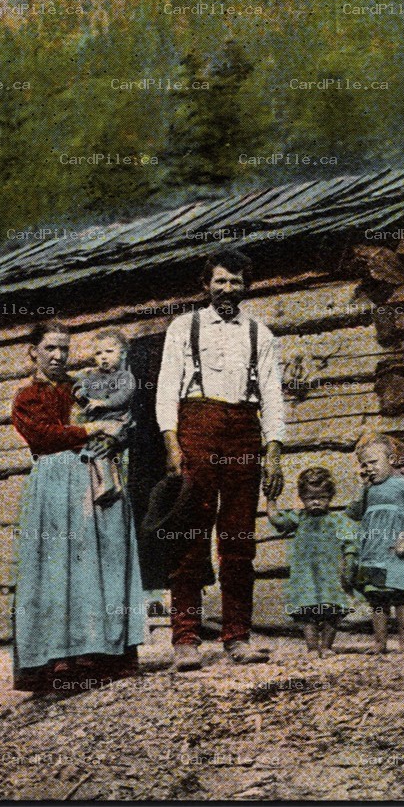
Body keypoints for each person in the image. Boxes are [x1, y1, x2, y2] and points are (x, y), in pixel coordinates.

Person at [155, 247, 285, 670]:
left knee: (238, 539)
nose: (227, 289)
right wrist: (173, 444)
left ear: (246, 286)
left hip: (245, 432)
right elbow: (166, 389)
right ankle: (186, 639)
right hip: (197, 426)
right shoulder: (183, 326)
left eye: (235, 281)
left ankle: (237, 637)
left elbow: (272, 397)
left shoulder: (260, 334)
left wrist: (275, 453)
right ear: (206, 285)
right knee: (190, 537)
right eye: (220, 281)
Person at [10, 323, 145, 693]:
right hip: (54, 481)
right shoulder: (26, 397)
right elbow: (43, 436)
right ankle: (60, 658)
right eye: (50, 348)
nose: (58, 356)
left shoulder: (85, 385)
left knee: (100, 560)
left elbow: (123, 419)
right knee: (58, 565)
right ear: (32, 351)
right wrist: (90, 430)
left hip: (96, 476)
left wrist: (116, 439)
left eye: (64, 349)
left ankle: (103, 653)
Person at [346, 436, 404, 654]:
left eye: (374, 462)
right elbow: (353, 513)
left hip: (398, 550)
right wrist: (360, 487)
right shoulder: (368, 489)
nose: (369, 468)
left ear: (390, 459)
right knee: (377, 597)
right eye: (364, 464)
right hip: (373, 551)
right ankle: (380, 642)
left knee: (402, 597)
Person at [268, 468, 357, 657]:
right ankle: (312, 647)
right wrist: (271, 499)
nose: (316, 502)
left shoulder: (338, 520)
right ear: (301, 497)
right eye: (310, 498)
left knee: (332, 612)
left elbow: (350, 544)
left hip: (330, 577)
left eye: (322, 497)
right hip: (305, 577)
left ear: (331, 496)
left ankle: (326, 646)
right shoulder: (299, 518)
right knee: (306, 612)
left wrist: (349, 565)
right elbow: (277, 520)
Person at [73, 329, 135, 507]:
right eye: (98, 353)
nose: (103, 357)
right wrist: (80, 389)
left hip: (118, 422)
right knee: (95, 449)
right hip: (100, 425)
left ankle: (108, 482)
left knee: (101, 449)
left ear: (122, 354)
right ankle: (112, 483)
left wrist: (102, 403)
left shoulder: (125, 376)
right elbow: (81, 385)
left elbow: (123, 396)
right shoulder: (94, 376)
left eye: (109, 352)